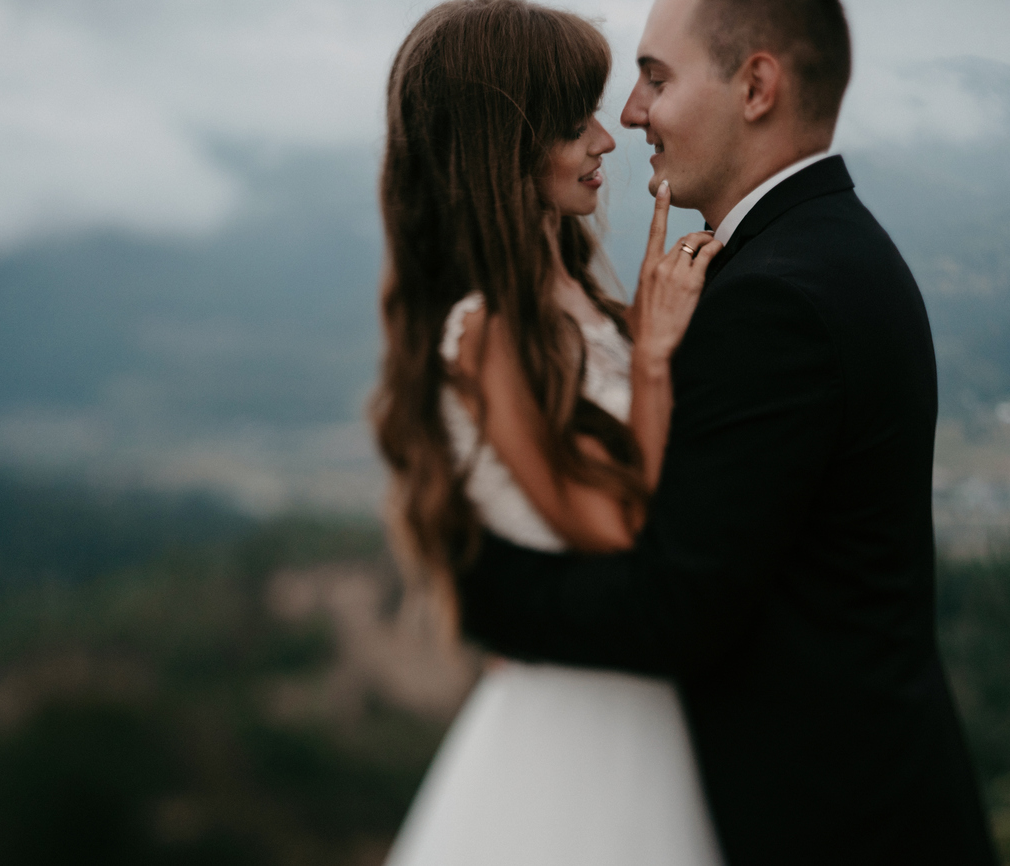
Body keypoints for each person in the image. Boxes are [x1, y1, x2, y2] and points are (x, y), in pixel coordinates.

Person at [455, 0, 1000, 863]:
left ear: (756, 86)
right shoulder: (820, 251)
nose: (629, 114)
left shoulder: (775, 300)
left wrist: (479, 586)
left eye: (655, 79)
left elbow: (676, 608)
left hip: (829, 828)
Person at [371, 1, 725, 863]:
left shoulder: (572, 302)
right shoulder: (486, 331)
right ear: (504, 148)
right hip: (582, 729)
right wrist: (654, 356)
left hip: (646, 703)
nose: (606, 140)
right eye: (576, 124)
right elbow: (613, 528)